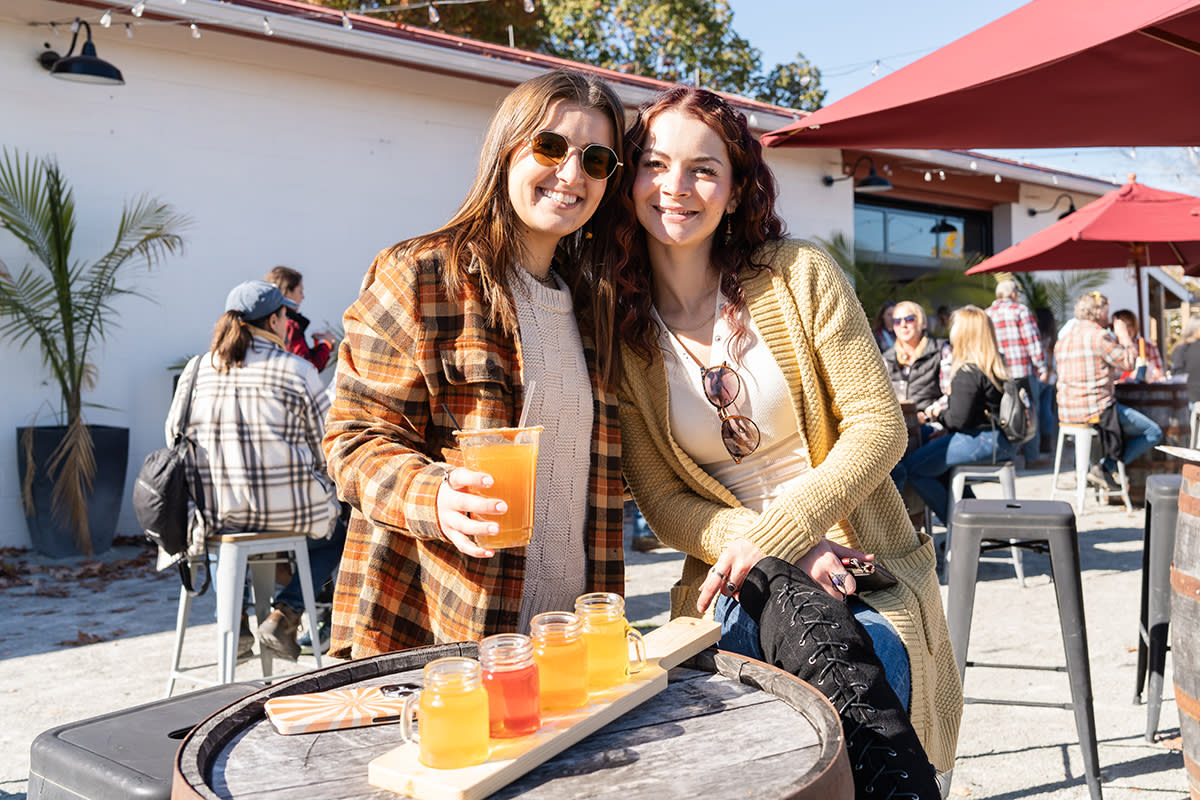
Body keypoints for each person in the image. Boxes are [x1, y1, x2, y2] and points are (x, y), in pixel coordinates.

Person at [616, 87, 959, 798]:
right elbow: (660, 495)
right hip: (729, 576)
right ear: (629, 180)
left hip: (858, 564)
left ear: (738, 190)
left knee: (854, 682)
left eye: (704, 169)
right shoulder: (622, 329)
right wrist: (776, 544)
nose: (676, 187)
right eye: (654, 164)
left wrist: (795, 526)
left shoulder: (798, 273)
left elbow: (878, 424)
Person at [324, 70, 629, 657]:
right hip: (438, 634)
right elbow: (352, 440)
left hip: (567, 645)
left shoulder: (595, 309)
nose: (571, 175)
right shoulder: (421, 275)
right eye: (550, 146)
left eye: (596, 160)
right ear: (506, 149)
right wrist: (435, 496)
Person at [166, 279, 346, 660]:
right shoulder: (296, 370)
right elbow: (326, 447)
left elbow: (173, 437)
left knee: (219, 528)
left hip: (220, 515)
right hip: (290, 515)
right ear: (276, 320)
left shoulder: (198, 369)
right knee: (340, 529)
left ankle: (233, 628)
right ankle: (287, 613)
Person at [892, 306, 1016, 526]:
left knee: (913, 468)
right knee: (938, 466)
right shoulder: (992, 363)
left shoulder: (967, 372)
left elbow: (958, 419)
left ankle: (961, 529)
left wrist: (936, 415)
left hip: (981, 439)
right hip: (997, 438)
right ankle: (977, 523)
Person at [1055, 292, 1162, 491]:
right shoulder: (1099, 336)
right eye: (1106, 312)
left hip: (1067, 412)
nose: (1109, 317)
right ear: (1098, 312)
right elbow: (1129, 363)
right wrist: (1123, 336)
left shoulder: (1065, 338)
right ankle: (1105, 467)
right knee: (1152, 431)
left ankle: (1096, 467)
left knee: (1118, 421)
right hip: (1094, 410)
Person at [986, 279, 1048, 465]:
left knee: (1004, 415)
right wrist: (1042, 366)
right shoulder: (1020, 311)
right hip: (1021, 371)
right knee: (1028, 414)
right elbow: (1032, 342)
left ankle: (1007, 459)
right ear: (1013, 294)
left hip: (997, 372)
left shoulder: (987, 313)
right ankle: (1032, 458)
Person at [883, 300, 951, 428]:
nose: (903, 325)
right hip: (897, 427)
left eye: (909, 319)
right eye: (897, 321)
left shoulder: (941, 350)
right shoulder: (886, 358)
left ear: (922, 323)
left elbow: (950, 393)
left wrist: (927, 413)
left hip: (932, 423)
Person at [264, 266, 336, 372]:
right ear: (286, 292)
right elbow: (307, 367)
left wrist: (319, 346)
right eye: (300, 291)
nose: (303, 297)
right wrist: (326, 344)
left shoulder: (264, 320)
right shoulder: (289, 325)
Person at [1111, 308, 1165, 383]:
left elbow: (1160, 376)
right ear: (1114, 328)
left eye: (1130, 325)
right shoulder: (1110, 347)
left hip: (1141, 391)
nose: (1126, 329)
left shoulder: (1148, 347)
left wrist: (1148, 374)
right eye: (1123, 326)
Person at [1170, 315, 1200, 413]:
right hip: (1191, 398)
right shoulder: (1183, 348)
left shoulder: (1180, 348)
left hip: (1187, 399)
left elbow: (1176, 374)